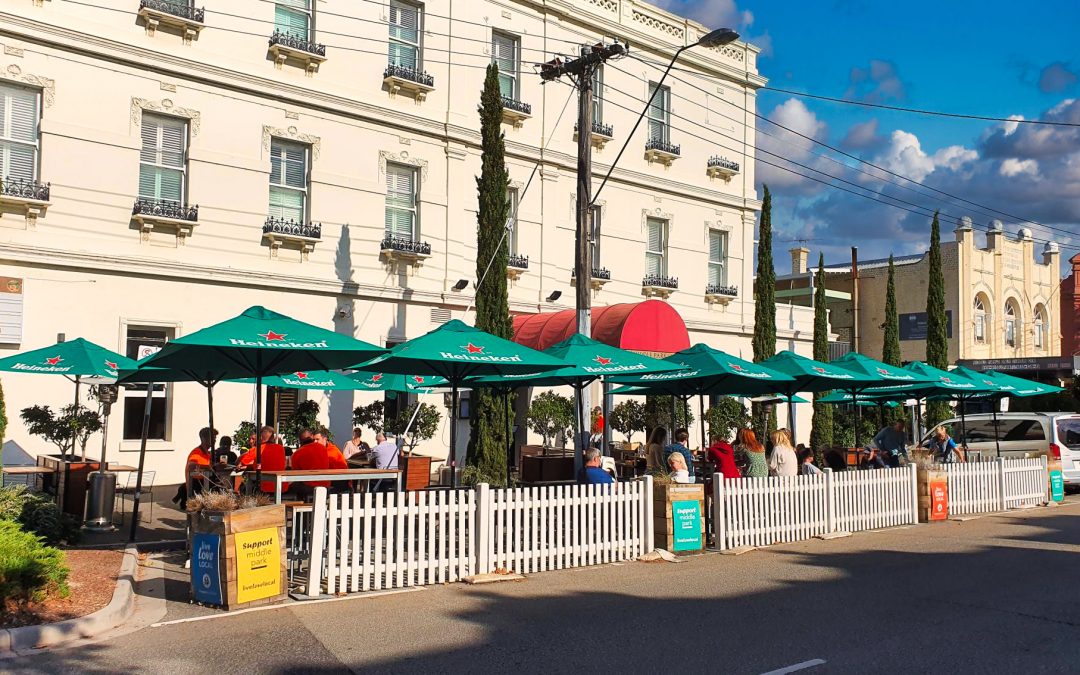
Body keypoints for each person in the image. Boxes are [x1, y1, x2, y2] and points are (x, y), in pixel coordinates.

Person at [290, 427, 349, 492]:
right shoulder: (323, 449)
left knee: (292, 484)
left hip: (335, 483)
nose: (316, 441)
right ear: (312, 437)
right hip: (327, 484)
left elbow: (295, 472)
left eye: (317, 439)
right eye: (315, 439)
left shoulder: (297, 453)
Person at [237, 425, 288, 493]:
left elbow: (239, 464)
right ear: (273, 438)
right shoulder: (281, 449)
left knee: (243, 487)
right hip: (281, 487)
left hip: (262, 488)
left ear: (260, 437)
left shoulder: (257, 449)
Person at [176, 427, 217, 509]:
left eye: (215, 438)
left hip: (205, 483)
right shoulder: (197, 452)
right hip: (198, 485)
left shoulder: (207, 453)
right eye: (213, 438)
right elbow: (191, 465)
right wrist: (208, 467)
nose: (215, 441)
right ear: (204, 439)